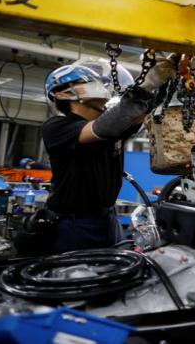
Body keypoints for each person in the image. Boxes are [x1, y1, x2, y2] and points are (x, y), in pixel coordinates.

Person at [41, 57, 173, 253]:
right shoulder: (57, 127)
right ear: (62, 94)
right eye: (87, 82)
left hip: (107, 218)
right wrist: (147, 84)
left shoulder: (114, 125)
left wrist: (163, 82)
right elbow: (104, 127)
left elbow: (139, 113)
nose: (102, 86)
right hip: (73, 223)